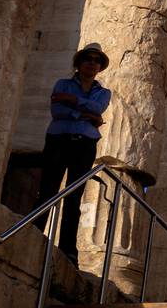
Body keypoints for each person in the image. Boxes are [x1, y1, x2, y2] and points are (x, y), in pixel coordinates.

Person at [33, 42, 111, 263]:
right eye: (88, 58)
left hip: (84, 144)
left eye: (97, 60)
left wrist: (73, 102)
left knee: (74, 196)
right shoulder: (63, 83)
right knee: (47, 189)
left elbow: (98, 109)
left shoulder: (103, 92)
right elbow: (57, 111)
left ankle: (68, 248)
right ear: (79, 62)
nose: (92, 63)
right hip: (59, 139)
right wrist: (86, 115)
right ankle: (32, 234)